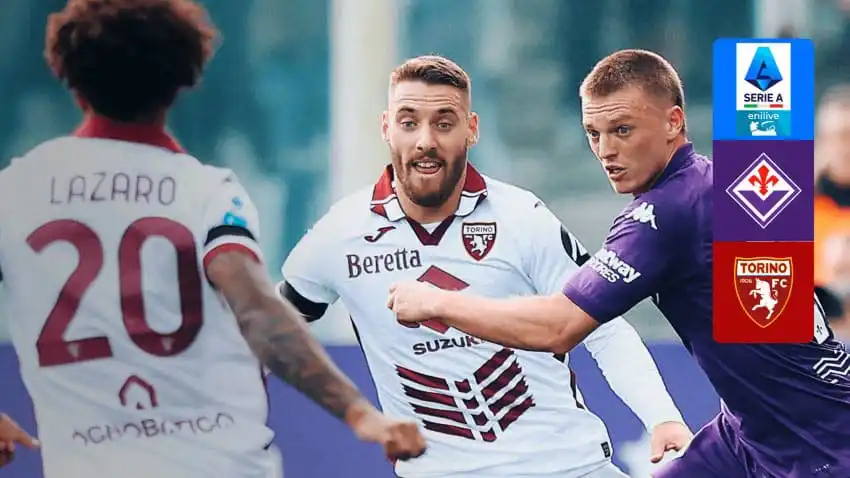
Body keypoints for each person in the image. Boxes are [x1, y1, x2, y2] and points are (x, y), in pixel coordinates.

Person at [0, 1, 425, 476]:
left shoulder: (16, 192)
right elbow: (257, 310)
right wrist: (358, 412)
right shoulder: (205, 192)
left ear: (72, 81)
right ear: (180, 83)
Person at [389, 50, 850, 477]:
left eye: (623, 130)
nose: (606, 150)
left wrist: (437, 302)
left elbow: (558, 328)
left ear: (674, 122)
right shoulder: (715, 183)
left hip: (817, 446)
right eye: (594, 133)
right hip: (753, 433)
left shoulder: (663, 214)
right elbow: (767, 101)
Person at [280, 55, 691, 478]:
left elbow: (604, 329)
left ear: (471, 129)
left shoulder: (521, 215)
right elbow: (267, 326)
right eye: (409, 122)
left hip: (568, 467)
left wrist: (661, 417)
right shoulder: (339, 234)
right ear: (386, 127)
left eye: (444, 123)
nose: (425, 140)